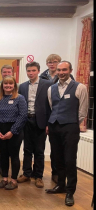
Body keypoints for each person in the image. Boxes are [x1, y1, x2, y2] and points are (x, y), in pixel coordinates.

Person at [45, 61, 88, 206]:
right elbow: (53, 106)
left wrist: (72, 123)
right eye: (59, 70)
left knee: (70, 160)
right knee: (57, 159)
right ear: (56, 71)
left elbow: (82, 111)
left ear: (70, 70)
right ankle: (61, 185)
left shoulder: (80, 87)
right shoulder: (51, 88)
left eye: (64, 70)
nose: (61, 72)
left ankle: (70, 191)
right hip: (54, 127)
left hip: (70, 127)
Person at [39, 54, 75, 184]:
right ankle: (51, 177)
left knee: (64, 155)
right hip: (51, 120)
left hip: (67, 123)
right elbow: (48, 104)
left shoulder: (72, 82)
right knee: (54, 150)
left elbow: (80, 108)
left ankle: (59, 176)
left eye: (55, 62)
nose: (52, 64)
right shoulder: (42, 77)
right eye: (50, 62)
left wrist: (75, 121)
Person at [17, 61, 52, 188]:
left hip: (41, 121)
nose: (31, 73)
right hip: (26, 121)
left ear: (38, 71)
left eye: (33, 71)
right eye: (29, 71)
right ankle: (26, 173)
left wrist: (49, 123)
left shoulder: (48, 84)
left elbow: (51, 105)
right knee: (27, 149)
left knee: (39, 150)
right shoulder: (22, 86)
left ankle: (38, 176)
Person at [0, 76, 27, 190]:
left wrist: (12, 131)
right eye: (5, 84)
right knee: (3, 155)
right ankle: (5, 178)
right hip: (0, 130)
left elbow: (23, 116)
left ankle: (14, 180)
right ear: (2, 85)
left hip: (15, 130)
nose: (8, 86)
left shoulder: (19, 98)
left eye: (10, 84)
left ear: (14, 85)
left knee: (14, 155)